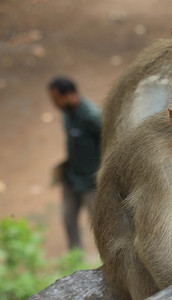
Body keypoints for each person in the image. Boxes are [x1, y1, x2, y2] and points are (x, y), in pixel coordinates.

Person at [47, 76, 102, 249]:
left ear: (70, 95)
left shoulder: (92, 117)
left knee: (98, 224)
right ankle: (75, 255)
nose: (55, 104)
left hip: (91, 182)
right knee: (68, 217)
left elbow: (110, 142)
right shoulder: (67, 115)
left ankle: (107, 260)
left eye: (57, 99)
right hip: (71, 177)